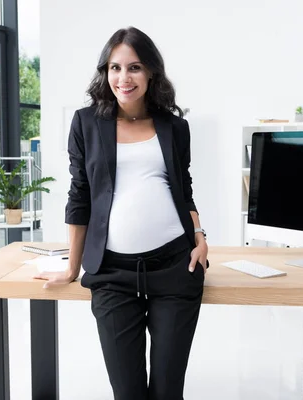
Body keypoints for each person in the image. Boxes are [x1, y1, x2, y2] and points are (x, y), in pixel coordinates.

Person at [34, 26, 208, 400]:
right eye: (115, 68)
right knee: (127, 392)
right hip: (112, 274)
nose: (123, 78)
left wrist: (200, 237)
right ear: (105, 72)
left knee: (166, 391)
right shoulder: (86, 123)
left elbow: (184, 190)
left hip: (175, 270)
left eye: (134, 68)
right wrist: (72, 266)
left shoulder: (175, 127)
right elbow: (79, 195)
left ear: (150, 73)